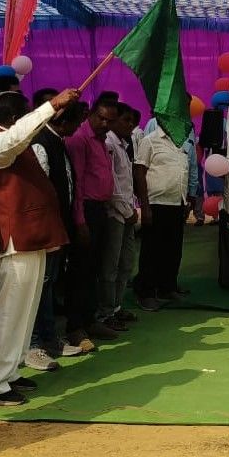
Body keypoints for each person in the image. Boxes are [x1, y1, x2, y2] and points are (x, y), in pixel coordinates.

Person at [0, 89, 81, 406]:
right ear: (15, 118)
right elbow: (14, 139)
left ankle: (8, 372)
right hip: (13, 241)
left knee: (24, 312)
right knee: (9, 314)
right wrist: (51, 106)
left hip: (29, 238)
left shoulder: (12, 142)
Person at [28, 99, 90, 366]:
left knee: (49, 285)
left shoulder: (58, 141)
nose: (78, 128)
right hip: (46, 230)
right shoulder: (41, 143)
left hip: (59, 227)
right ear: (64, 121)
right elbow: (40, 192)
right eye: (76, 122)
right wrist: (48, 229)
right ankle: (33, 344)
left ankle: (49, 337)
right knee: (39, 287)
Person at [64, 99, 121, 344]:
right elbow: (76, 182)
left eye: (110, 121)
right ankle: (75, 326)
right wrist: (80, 220)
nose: (105, 124)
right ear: (91, 114)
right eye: (101, 118)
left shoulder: (101, 140)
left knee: (94, 268)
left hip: (100, 209)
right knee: (80, 270)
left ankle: (90, 319)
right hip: (85, 210)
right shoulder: (79, 139)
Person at [133, 119, 195, 311]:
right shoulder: (150, 140)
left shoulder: (181, 142)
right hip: (156, 203)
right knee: (152, 250)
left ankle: (167, 287)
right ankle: (146, 293)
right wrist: (145, 206)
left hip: (177, 203)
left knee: (173, 249)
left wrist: (186, 199)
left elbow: (184, 171)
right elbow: (139, 172)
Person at [98, 102, 141, 331]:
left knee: (126, 263)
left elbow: (126, 182)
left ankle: (116, 306)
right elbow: (111, 184)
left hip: (127, 213)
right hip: (115, 213)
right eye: (126, 120)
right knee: (111, 266)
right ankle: (105, 312)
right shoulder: (108, 144)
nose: (130, 125)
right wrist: (127, 211)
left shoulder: (123, 145)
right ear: (113, 121)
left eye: (132, 121)